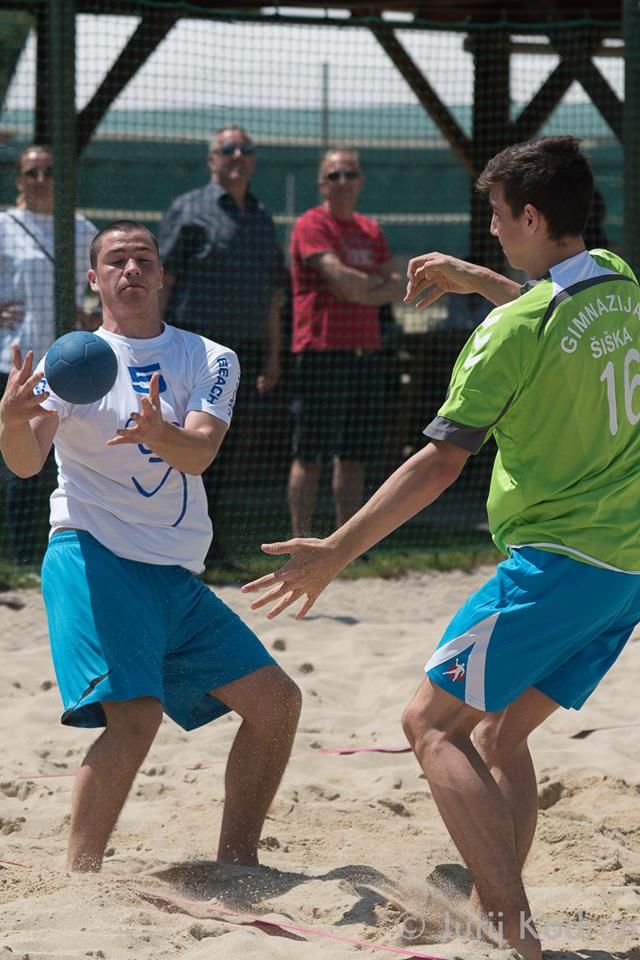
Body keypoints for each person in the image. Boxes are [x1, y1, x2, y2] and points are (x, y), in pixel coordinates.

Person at [242, 137, 640, 959]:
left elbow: (438, 463)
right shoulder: (617, 278)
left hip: (556, 565)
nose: (491, 228)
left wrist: (337, 549)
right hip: (624, 567)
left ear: (532, 217)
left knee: (428, 724)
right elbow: (553, 312)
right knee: (497, 735)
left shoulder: (507, 334)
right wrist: (476, 278)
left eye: (497, 215)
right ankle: (499, 903)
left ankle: (512, 931)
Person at [0, 219, 301, 872]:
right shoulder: (71, 362)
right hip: (92, 554)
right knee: (135, 717)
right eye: (116, 261)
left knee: (277, 705)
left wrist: (158, 432)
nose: (131, 269)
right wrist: (9, 421)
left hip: (172, 573)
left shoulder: (209, 356)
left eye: (143, 258)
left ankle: (237, 864)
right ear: (93, 279)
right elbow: (25, 463)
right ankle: (82, 880)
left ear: (163, 274)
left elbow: (199, 452)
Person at [158, 124, 287, 567]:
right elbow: (164, 280)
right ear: (212, 159)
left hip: (244, 354)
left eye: (245, 149)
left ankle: (207, 548)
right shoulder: (189, 209)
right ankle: (172, 545)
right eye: (227, 149)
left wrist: (273, 355)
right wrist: (152, 342)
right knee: (185, 445)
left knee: (224, 451)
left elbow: (273, 293)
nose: (237, 155)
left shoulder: (261, 214)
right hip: (193, 350)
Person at [288, 148, 405, 538]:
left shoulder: (370, 229)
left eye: (349, 174)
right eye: (334, 175)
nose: (342, 182)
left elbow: (398, 286)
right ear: (322, 184)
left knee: (354, 456)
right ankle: (301, 540)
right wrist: (372, 286)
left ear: (360, 181)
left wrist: (361, 287)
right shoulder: (311, 224)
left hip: (366, 353)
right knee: (310, 454)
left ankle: (346, 542)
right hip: (321, 353)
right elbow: (341, 281)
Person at [0, 144, 96, 564]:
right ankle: (21, 554)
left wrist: (91, 315)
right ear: (19, 179)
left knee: (60, 453)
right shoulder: (4, 225)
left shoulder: (81, 228)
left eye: (49, 171)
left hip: (65, 364)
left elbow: (102, 281)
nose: (41, 179)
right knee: (15, 452)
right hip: (13, 359)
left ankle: (53, 544)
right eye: (32, 172)